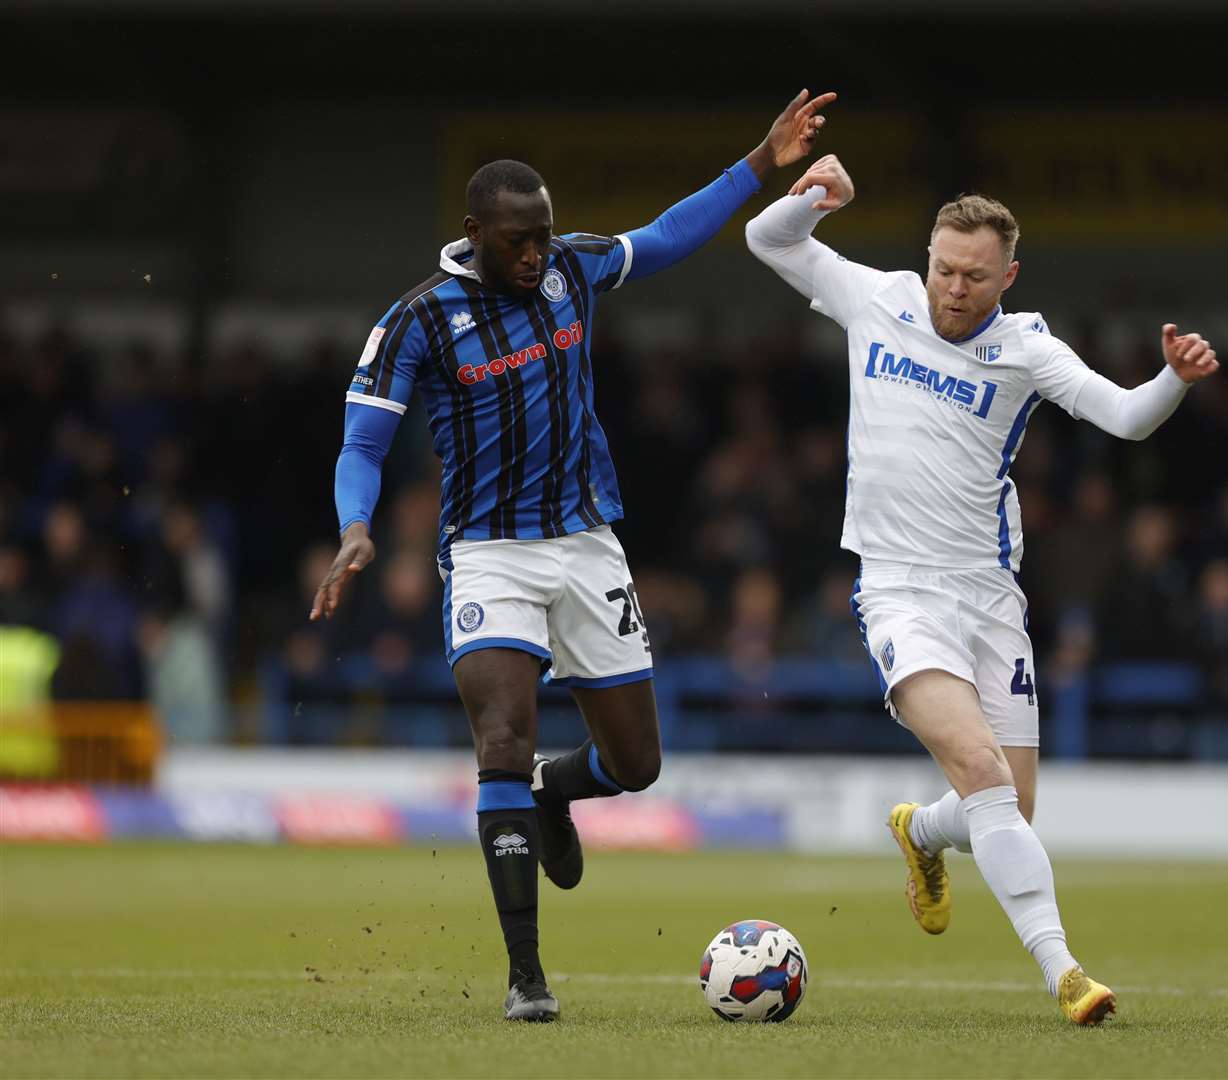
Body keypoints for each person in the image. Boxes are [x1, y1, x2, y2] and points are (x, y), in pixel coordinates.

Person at [309, 90, 836, 1023]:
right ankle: (526, 976)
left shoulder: (569, 275)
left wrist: (762, 159)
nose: (536, 254)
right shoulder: (418, 320)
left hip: (588, 542)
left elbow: (668, 236)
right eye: (518, 240)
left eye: (545, 236)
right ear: (474, 232)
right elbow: (362, 443)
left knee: (636, 765)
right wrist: (357, 526)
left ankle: (558, 788)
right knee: (500, 741)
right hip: (489, 555)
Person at [744, 155, 1218, 1025]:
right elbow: (764, 237)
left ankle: (921, 833)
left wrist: (1173, 381)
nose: (953, 289)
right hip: (897, 590)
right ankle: (1065, 972)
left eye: (973, 275)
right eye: (943, 268)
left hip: (990, 598)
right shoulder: (877, 296)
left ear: (1009, 275)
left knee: (1007, 804)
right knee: (982, 772)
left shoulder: (1027, 347)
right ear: (926, 256)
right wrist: (813, 197)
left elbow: (1124, 416)